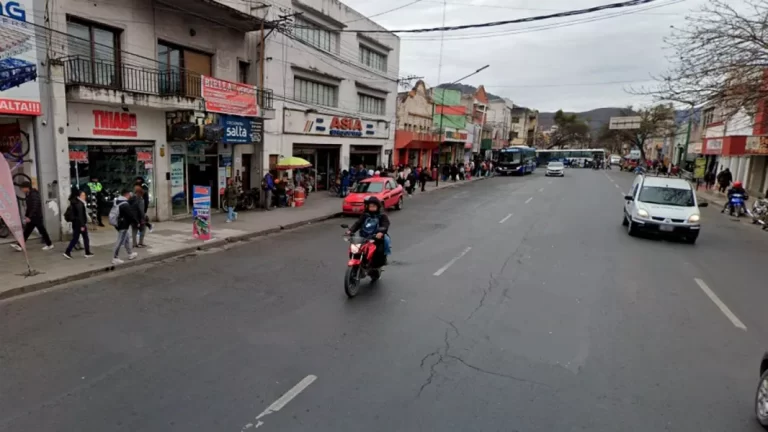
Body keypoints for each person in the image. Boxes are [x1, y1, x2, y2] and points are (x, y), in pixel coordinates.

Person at [345, 197, 390, 268]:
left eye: (373, 206)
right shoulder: (365, 215)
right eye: (370, 206)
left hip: (376, 237)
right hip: (364, 236)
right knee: (355, 248)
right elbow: (358, 223)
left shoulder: (382, 215)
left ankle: (376, 265)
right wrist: (350, 230)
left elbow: (385, 224)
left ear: (377, 206)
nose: (372, 208)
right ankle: (358, 260)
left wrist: (381, 232)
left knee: (379, 251)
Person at [10, 182, 54, 252]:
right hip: (33, 216)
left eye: (22, 188)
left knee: (41, 230)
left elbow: (35, 206)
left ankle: (49, 244)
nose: (21, 190)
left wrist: (29, 217)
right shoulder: (29, 194)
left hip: (36, 216)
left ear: (27, 187)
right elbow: (29, 207)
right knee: (28, 231)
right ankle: (19, 245)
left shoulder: (34, 194)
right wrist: (27, 215)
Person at [63, 190, 93, 259]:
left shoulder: (75, 202)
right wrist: (82, 225)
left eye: (84, 195)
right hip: (80, 224)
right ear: (79, 196)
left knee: (76, 238)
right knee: (85, 238)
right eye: (83, 195)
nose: (84, 197)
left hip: (76, 223)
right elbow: (80, 216)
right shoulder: (79, 204)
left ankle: (68, 252)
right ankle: (87, 252)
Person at [112, 189, 138, 265]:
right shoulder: (125, 204)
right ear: (127, 194)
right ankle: (115, 258)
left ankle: (130, 254)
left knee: (126, 238)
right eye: (130, 193)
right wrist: (137, 222)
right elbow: (130, 215)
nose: (131, 195)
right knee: (120, 241)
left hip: (119, 224)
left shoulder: (118, 201)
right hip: (123, 225)